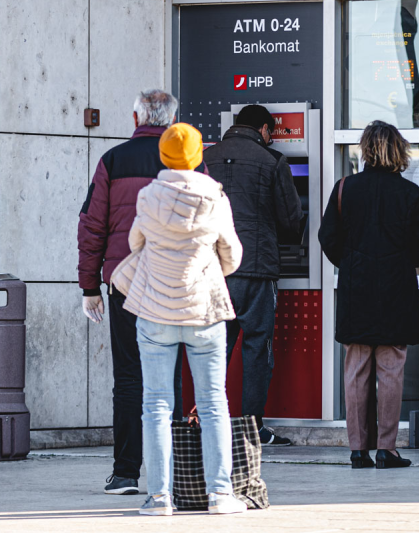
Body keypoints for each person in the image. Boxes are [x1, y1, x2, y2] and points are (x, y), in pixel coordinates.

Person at [109, 123, 246, 516]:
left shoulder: (148, 197)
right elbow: (232, 256)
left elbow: (135, 244)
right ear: (199, 155)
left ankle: (159, 498)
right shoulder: (215, 197)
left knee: (155, 405)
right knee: (213, 402)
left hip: (154, 311)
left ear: (164, 156)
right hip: (203, 310)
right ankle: (220, 495)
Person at [77, 89, 188, 495]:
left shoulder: (113, 160)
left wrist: (90, 286)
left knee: (128, 376)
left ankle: (126, 472)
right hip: (174, 283)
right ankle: (173, 470)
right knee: (170, 376)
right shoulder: (187, 160)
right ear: (172, 119)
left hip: (125, 283)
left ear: (136, 115)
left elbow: (91, 226)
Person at [318, 121, 419, 470]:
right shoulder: (410, 194)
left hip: (356, 289)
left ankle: (358, 449)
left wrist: (353, 263)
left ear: (365, 149)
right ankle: (387, 448)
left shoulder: (344, 189)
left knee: (356, 370)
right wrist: (400, 264)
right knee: (391, 372)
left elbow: (328, 239)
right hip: (397, 290)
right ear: (398, 150)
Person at [204, 104, 303, 445]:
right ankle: (251, 428)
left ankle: (209, 422)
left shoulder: (207, 158)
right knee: (257, 348)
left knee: (215, 349)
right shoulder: (272, 161)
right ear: (263, 129)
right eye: (271, 133)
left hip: (213, 271)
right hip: (256, 269)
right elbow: (291, 220)